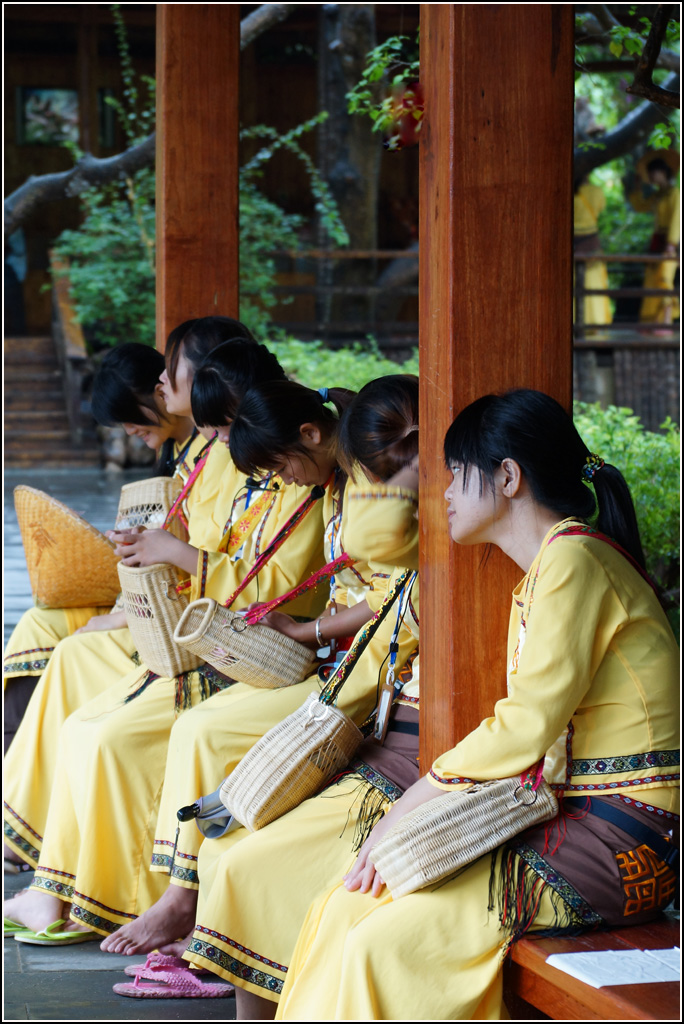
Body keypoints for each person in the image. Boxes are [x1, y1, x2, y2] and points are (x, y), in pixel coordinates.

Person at [265, 388, 677, 1021]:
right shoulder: (552, 565)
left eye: (458, 474)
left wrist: (411, 804)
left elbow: (524, 728)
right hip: (574, 821)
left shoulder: (574, 559)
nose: (446, 493)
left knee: (385, 937)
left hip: (626, 839)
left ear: (508, 477)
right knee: (350, 904)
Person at [3, 336, 328, 941]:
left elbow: (270, 586)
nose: (161, 387)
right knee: (84, 721)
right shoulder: (254, 466)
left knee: (111, 728)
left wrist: (175, 554)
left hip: (251, 648)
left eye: (170, 377)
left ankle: (131, 897)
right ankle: (60, 886)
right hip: (212, 630)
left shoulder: (295, 478)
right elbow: (236, 557)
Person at [99, 377, 419, 960]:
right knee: (197, 725)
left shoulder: (368, 485)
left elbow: (393, 587)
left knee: (200, 727)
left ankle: (183, 903)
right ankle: (181, 897)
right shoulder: (339, 484)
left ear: (311, 434)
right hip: (341, 658)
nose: (284, 481)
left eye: (281, 466)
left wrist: (305, 630)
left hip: (370, 669)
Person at [628, 151, 680, 328]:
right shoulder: (657, 196)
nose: (650, 177)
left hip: (672, 244)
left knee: (664, 278)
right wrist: (636, 188)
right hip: (657, 242)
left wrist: (672, 244)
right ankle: (650, 322)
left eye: (653, 172)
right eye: (649, 173)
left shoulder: (676, 194)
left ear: (663, 172)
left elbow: (677, 219)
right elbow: (640, 206)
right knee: (651, 280)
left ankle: (665, 323)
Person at [573, 176, 613, 330]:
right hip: (591, 242)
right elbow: (601, 208)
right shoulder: (597, 191)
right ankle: (596, 323)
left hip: (574, 241)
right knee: (594, 281)